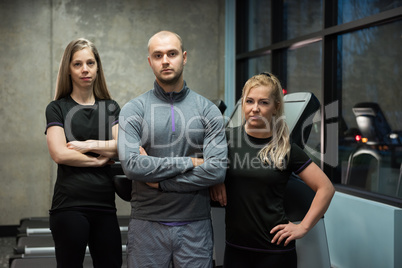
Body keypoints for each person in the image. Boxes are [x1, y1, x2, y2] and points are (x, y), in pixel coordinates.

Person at [118, 30, 227, 268]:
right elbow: (133, 166)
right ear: (150, 61)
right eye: (158, 55)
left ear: (184, 57)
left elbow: (217, 171)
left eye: (172, 53)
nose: (165, 60)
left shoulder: (208, 110)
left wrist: (160, 182)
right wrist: (191, 162)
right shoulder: (133, 110)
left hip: (195, 226)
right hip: (146, 225)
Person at [210, 72, 335, 268]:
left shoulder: (286, 149)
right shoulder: (225, 139)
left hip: (275, 252)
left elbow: (326, 188)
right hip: (235, 249)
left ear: (276, 107)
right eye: (249, 101)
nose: (255, 108)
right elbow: (202, 163)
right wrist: (216, 180)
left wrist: (302, 227)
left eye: (264, 103)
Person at [45, 38, 122, 268]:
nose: (85, 69)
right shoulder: (57, 107)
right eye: (77, 64)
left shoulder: (111, 107)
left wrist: (86, 144)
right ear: (68, 69)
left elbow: (123, 147)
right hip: (69, 205)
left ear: (98, 67)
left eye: (90, 63)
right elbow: (60, 154)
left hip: (105, 206)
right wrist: (99, 161)